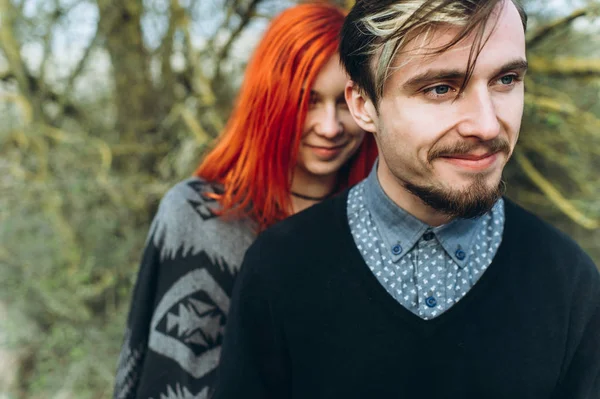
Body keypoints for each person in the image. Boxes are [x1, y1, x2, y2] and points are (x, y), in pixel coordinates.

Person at [213, 0, 600, 398]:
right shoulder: (279, 268)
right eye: (440, 88)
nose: (486, 124)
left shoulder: (571, 283)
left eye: (505, 80)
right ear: (363, 105)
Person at [112, 3, 377, 398]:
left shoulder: (382, 228)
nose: (330, 126)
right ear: (271, 100)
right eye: (307, 101)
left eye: (344, 101)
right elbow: (169, 379)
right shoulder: (199, 217)